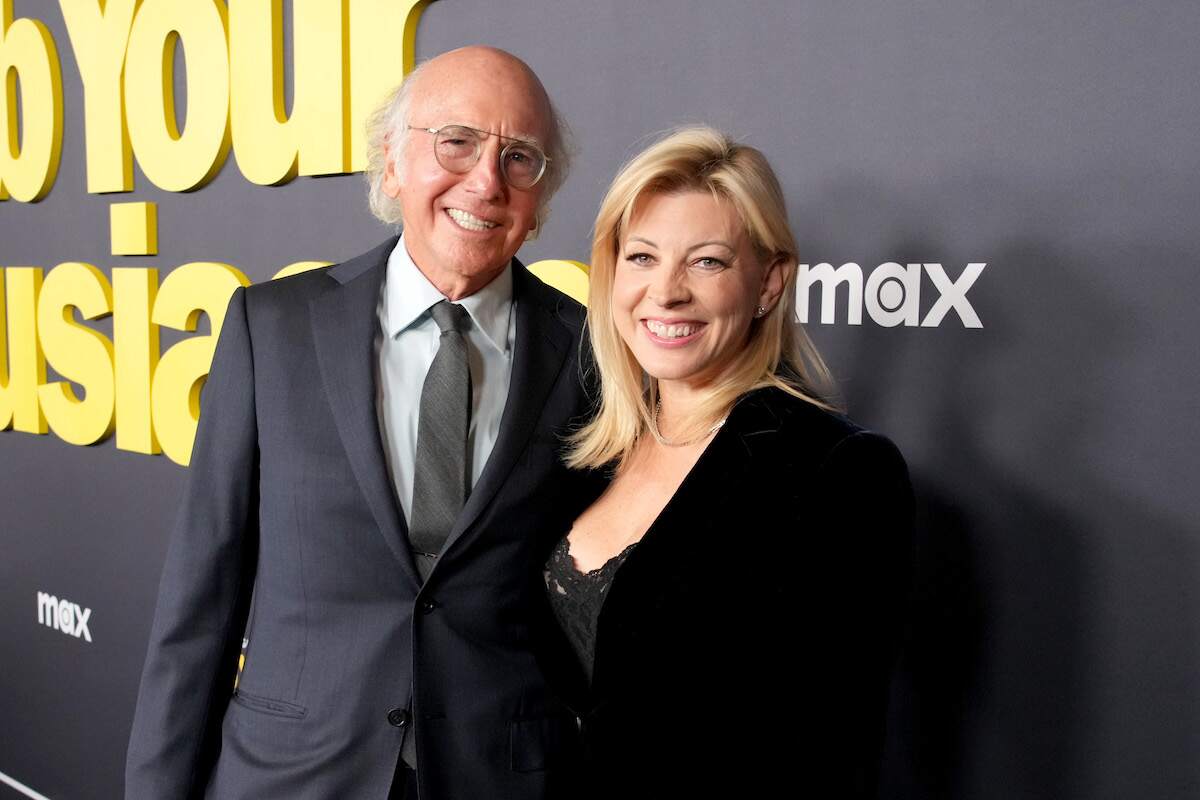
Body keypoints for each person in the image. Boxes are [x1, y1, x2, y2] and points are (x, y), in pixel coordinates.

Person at [126, 46, 592, 799]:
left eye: (520, 158)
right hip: (290, 775)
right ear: (393, 159)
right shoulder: (270, 328)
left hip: (501, 778)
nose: (485, 180)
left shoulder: (590, 353)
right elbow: (200, 600)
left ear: (540, 197)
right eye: (457, 141)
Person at [542, 127, 914, 799]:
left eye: (706, 262)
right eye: (642, 257)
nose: (665, 292)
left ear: (769, 283)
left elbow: (835, 752)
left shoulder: (836, 471)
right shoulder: (576, 448)